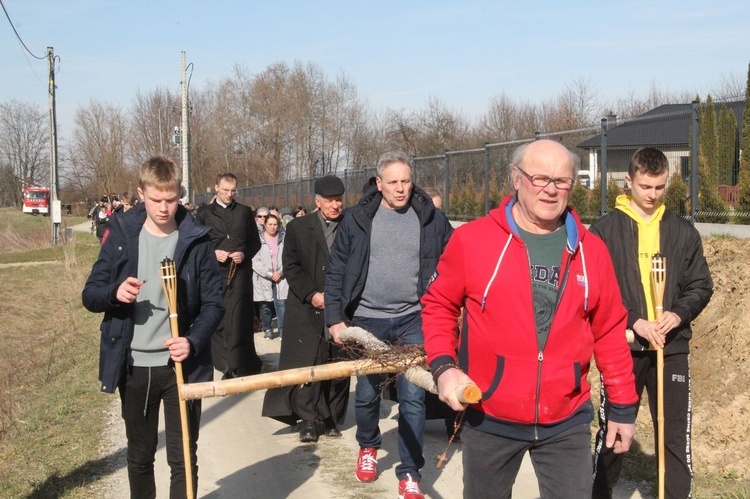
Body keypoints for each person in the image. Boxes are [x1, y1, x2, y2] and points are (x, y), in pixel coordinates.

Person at [420, 139, 639, 498]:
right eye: (540, 178)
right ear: (516, 179)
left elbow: (610, 332)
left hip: (566, 419)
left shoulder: (592, 251)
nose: (551, 190)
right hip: (488, 414)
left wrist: (623, 408)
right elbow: (438, 306)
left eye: (562, 181)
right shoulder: (473, 241)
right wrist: (444, 367)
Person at [81, 155, 224, 498]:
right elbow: (90, 294)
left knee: (184, 458)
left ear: (180, 194)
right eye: (156, 199)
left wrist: (192, 340)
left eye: (171, 199)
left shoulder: (197, 238)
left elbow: (214, 304)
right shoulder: (121, 233)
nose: (164, 208)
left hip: (180, 368)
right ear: (141, 193)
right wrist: (115, 293)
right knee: (140, 457)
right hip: (134, 368)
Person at [326, 151, 453, 499]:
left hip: (414, 319)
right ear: (379, 183)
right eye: (393, 182)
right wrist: (335, 319)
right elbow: (337, 270)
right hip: (367, 320)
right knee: (367, 395)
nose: (400, 189)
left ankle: (410, 471)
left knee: (413, 398)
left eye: (406, 181)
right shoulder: (356, 219)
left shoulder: (430, 218)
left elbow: (455, 263)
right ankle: (368, 445)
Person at [590, 147, 713, 499]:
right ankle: (598, 492)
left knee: (674, 432)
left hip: (670, 346)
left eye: (660, 187)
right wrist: (634, 321)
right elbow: (598, 290)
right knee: (614, 431)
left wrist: (678, 314)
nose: (653, 194)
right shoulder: (604, 232)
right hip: (624, 348)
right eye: (645, 186)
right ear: (628, 181)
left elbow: (700, 284)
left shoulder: (682, 231)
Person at [262, 176, 351, 443]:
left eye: (339, 200)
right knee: (308, 363)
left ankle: (332, 417)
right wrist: (311, 294)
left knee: (338, 363)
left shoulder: (351, 227)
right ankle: (309, 419)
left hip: (342, 307)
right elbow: (291, 266)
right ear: (317, 202)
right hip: (306, 307)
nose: (335, 206)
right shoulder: (300, 228)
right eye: (329, 201)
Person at [196, 172, 263, 378]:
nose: (229, 194)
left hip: (240, 275)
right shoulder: (204, 214)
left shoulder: (244, 212)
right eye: (225, 190)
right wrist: (213, 252)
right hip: (214, 274)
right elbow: (197, 244)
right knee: (219, 316)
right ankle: (222, 362)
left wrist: (244, 254)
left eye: (233, 190)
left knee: (239, 318)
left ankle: (239, 364)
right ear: (216, 188)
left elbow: (255, 243)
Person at [252, 213, 288, 340]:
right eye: (270, 224)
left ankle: (283, 329)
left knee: (281, 304)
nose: (273, 227)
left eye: (275, 224)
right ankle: (267, 328)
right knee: (265, 305)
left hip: (281, 277)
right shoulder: (258, 240)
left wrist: (280, 272)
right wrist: (269, 274)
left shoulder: (283, 239)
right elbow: (255, 261)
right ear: (265, 225)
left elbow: (288, 257)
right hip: (263, 278)